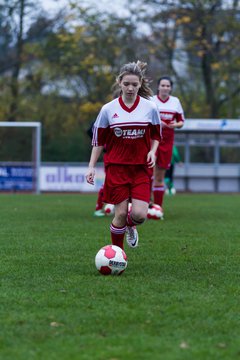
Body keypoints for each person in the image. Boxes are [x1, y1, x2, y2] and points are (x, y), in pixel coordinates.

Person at [85, 61, 161, 250]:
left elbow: (156, 135)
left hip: (140, 169)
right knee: (119, 214)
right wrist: (91, 166)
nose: (130, 88)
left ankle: (131, 224)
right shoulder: (108, 109)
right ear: (119, 82)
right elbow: (98, 141)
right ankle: (118, 255)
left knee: (140, 215)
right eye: (126, 83)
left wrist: (152, 151)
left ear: (140, 83)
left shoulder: (150, 108)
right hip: (116, 168)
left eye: (134, 84)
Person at [151, 76, 184, 211]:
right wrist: (159, 123)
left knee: (160, 175)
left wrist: (173, 125)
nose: (165, 88)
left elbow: (181, 122)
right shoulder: (151, 101)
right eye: (163, 85)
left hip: (167, 142)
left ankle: (158, 207)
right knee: (148, 174)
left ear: (170, 88)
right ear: (158, 87)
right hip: (152, 141)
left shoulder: (175, 102)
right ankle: (146, 204)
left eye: (168, 86)